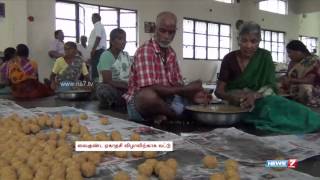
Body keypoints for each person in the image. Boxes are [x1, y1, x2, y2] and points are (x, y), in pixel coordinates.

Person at [215, 21, 320, 134]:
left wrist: (254, 95)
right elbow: (219, 92)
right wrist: (233, 97)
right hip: (237, 103)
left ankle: (314, 122)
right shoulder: (229, 59)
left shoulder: (265, 56)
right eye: (244, 40)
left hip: (262, 98)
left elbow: (270, 85)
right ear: (238, 40)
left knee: (287, 106)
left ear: (259, 41)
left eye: (253, 41)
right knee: (271, 114)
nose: (248, 45)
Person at [123, 11, 210, 123]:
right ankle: (176, 116)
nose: (166, 36)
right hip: (139, 106)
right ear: (155, 28)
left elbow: (177, 84)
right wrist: (185, 89)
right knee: (148, 96)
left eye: (171, 32)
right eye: (162, 30)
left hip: (166, 101)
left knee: (198, 92)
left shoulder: (171, 53)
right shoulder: (146, 50)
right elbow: (151, 88)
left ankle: (163, 114)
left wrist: (192, 93)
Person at [96, 28, 131, 109]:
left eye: (124, 39)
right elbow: (107, 80)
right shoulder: (106, 55)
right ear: (111, 41)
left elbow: (132, 73)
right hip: (113, 87)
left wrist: (132, 86)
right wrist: (126, 86)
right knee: (104, 89)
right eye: (120, 39)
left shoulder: (126, 55)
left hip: (126, 88)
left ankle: (120, 101)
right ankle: (114, 102)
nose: (123, 42)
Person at [279, 40, 320, 107]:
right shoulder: (293, 62)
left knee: (305, 88)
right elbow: (288, 75)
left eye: (290, 52)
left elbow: (310, 80)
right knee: (274, 85)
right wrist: (283, 78)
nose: (288, 55)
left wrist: (291, 80)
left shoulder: (313, 61)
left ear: (299, 51)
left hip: (312, 89)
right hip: (293, 88)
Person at [88, 13, 106, 81]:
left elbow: (98, 37)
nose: (91, 20)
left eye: (92, 18)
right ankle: (96, 84)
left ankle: (96, 86)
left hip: (97, 51)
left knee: (95, 70)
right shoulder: (98, 26)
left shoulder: (98, 24)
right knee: (95, 69)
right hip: (97, 50)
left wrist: (93, 50)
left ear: (96, 18)